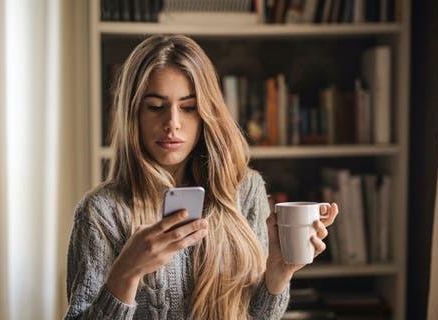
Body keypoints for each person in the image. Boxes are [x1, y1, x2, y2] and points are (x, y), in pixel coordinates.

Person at [65, 34, 339, 320]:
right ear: (133, 112)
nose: (172, 122)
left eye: (188, 107)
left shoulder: (245, 191)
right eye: (156, 107)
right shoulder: (100, 213)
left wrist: (278, 275)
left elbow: (258, 316)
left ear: (206, 112)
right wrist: (126, 273)